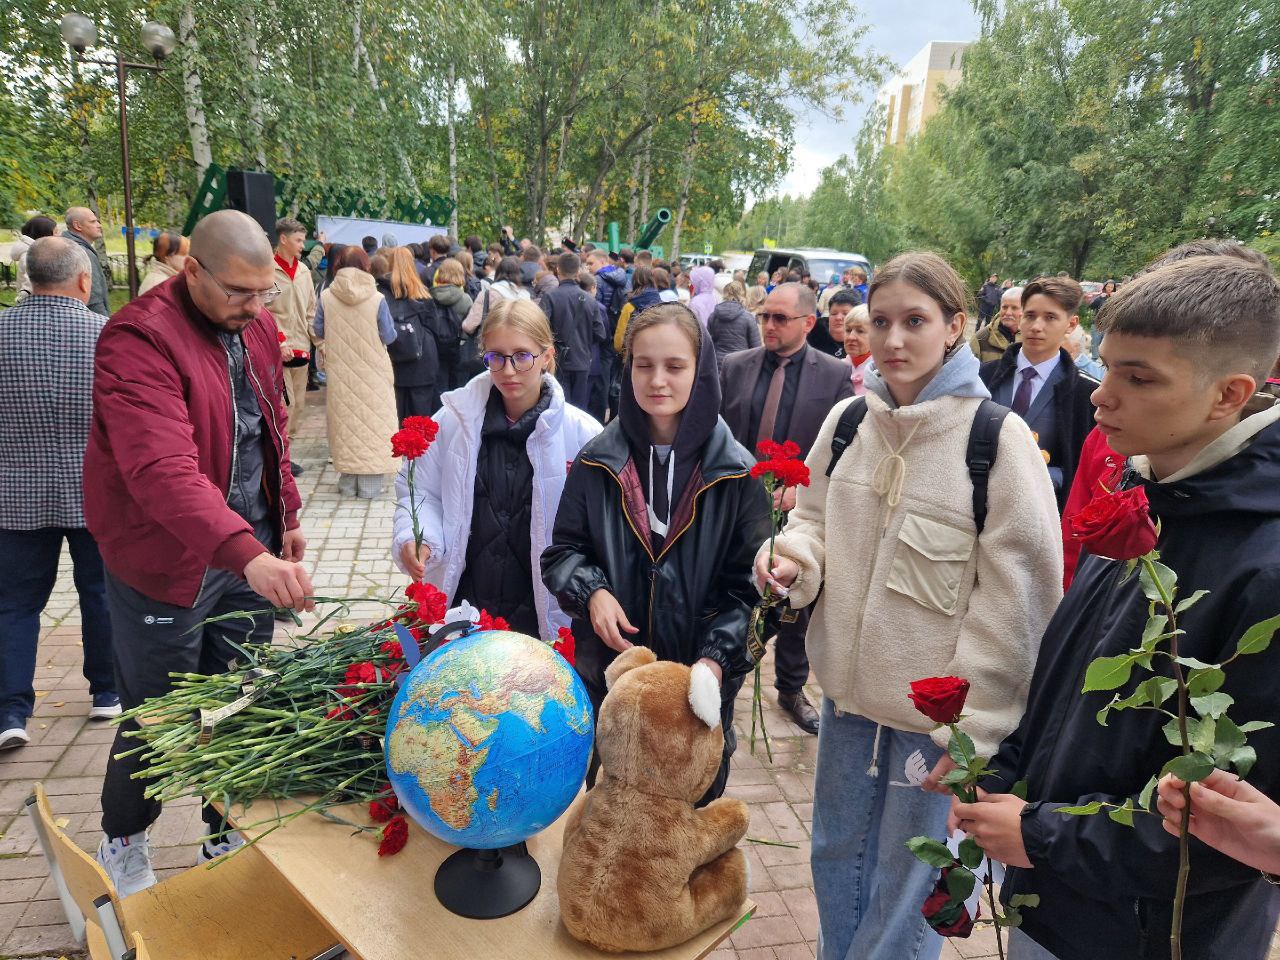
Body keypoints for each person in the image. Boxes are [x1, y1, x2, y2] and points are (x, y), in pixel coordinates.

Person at [953, 253, 1280, 960]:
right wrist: (1004, 777)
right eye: (1106, 366)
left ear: (1229, 395)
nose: (1101, 397)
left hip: (1145, 934)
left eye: (1139, 378)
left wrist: (1039, 834)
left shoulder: (1264, 567)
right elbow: (1069, 681)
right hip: (1061, 899)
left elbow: (1230, 827)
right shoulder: (1151, 494)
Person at [759, 252, 1061, 960]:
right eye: (883, 321)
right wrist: (792, 561)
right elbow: (812, 519)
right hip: (847, 709)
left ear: (956, 327)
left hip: (933, 734)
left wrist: (973, 731)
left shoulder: (996, 441)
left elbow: (1020, 604)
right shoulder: (848, 420)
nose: (893, 341)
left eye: (915, 321)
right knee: (835, 858)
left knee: (909, 888)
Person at [85, 209, 312, 893]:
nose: (255, 307)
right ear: (191, 272)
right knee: (161, 718)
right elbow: (162, 471)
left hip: (250, 548)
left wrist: (286, 513)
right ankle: (125, 835)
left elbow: (271, 424)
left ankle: (223, 834)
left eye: (264, 291)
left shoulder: (260, 327)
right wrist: (248, 553)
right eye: (238, 293)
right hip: (168, 560)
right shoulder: (138, 339)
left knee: (239, 701)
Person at [542, 302, 771, 803]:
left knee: (686, 816)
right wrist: (593, 592)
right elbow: (562, 552)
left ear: (701, 370)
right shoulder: (598, 460)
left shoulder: (737, 474)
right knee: (614, 808)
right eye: (643, 365)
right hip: (614, 678)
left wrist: (714, 662)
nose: (657, 380)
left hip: (697, 683)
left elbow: (752, 592)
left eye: (675, 366)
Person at [395, 298, 600, 637]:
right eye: (496, 357)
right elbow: (421, 493)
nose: (508, 370)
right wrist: (419, 538)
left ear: (547, 356)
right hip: (467, 606)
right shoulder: (452, 423)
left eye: (522, 356)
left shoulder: (583, 435)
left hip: (541, 613)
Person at [720, 282, 854, 735]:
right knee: (734, 588)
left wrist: (803, 490)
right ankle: (726, 680)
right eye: (764, 317)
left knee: (794, 594)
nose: (769, 325)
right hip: (737, 503)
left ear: (807, 323)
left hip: (796, 504)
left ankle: (792, 687)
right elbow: (717, 433)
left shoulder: (833, 374)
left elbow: (840, 449)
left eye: (780, 318)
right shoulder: (735, 366)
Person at [0, 237, 118, 751]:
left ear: (28, 279)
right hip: (95, 492)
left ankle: (11, 712)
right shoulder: (108, 336)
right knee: (102, 594)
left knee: (14, 605)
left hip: (13, 494)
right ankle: (108, 692)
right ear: (84, 280)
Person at [979, 277, 1097, 510]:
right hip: (979, 506)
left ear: (1071, 325)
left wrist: (1038, 473)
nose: (1036, 326)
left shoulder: (1086, 394)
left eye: (1050, 317)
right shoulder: (983, 377)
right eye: (1031, 315)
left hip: (1044, 512)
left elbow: (1082, 473)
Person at [315, 245, 399, 498]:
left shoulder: (327, 296)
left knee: (346, 423)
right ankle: (371, 485)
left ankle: (348, 483)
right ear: (366, 266)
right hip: (373, 370)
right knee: (374, 423)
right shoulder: (377, 299)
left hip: (341, 371)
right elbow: (389, 335)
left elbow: (318, 331)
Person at [269, 218, 317, 475]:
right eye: (298, 240)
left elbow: (311, 311)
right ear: (284, 239)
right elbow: (262, 310)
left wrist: (320, 342)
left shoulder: (304, 272)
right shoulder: (267, 270)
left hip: (302, 348)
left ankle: (288, 451)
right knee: (284, 403)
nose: (302, 245)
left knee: (298, 404)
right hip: (277, 349)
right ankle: (279, 456)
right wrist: (279, 340)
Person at [379, 247, 441, 422]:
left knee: (395, 418)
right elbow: (434, 330)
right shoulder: (424, 295)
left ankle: (398, 449)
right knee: (421, 422)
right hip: (423, 364)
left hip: (392, 362)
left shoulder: (380, 295)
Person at [542, 252, 603, 412]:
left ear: (557, 270)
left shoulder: (550, 297)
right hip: (582, 361)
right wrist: (583, 341)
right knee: (578, 410)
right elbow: (600, 333)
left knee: (557, 407)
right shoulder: (590, 300)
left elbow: (540, 329)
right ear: (578, 272)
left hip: (556, 360)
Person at [430, 257, 475, 391]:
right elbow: (470, 327)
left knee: (440, 390)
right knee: (458, 389)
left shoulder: (429, 296)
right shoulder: (465, 299)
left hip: (436, 350)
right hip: (458, 350)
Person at [64, 206, 109, 316]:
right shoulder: (82, 253)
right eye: (93, 222)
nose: (99, 225)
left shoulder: (64, 246)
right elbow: (94, 297)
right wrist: (103, 323)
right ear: (77, 225)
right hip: (89, 320)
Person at [706, 280, 761, 366]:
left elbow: (708, 343)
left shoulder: (714, 316)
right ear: (742, 294)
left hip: (717, 363)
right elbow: (756, 348)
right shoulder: (748, 318)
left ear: (724, 294)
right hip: (741, 364)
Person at [612, 266, 665, 356]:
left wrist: (620, 351)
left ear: (634, 280)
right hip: (655, 353)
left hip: (632, 354)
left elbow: (620, 335)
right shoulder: (661, 305)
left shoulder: (629, 306)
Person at [8, 215, 58, 302]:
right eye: (56, 232)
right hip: (33, 305)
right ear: (45, 233)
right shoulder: (32, 255)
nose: (59, 236)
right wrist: (21, 302)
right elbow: (29, 284)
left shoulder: (35, 251)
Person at [969, 285, 1023, 362]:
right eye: (1004, 307)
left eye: (1014, 308)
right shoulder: (981, 338)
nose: (1008, 313)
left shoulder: (1033, 339)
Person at [137, 231, 189, 296]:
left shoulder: (169, 279)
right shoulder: (156, 285)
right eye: (184, 255)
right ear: (168, 257)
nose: (189, 258)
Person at [842, 302, 873, 395]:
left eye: (860, 331)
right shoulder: (836, 368)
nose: (851, 337)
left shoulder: (883, 374)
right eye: (848, 330)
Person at [826, 288, 861, 359]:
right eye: (834, 313)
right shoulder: (813, 335)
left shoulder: (864, 344)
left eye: (845, 313)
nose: (838, 318)